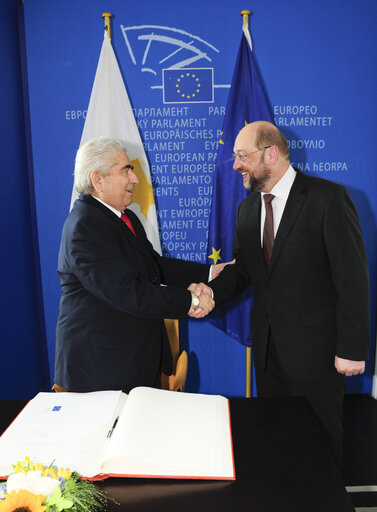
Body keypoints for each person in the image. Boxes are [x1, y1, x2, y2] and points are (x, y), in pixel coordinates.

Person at [192, 121, 370, 466]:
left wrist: (351, 348)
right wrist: (209, 294)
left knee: (321, 447)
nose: (236, 165)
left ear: (270, 154)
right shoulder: (247, 209)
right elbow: (244, 270)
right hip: (269, 350)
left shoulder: (328, 199)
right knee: (280, 442)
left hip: (317, 354)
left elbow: (352, 279)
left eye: (242, 156)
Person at [54, 137, 227, 394]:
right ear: (98, 180)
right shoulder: (86, 226)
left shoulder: (124, 217)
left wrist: (210, 273)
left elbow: (152, 265)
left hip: (132, 358)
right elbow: (128, 292)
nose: (135, 179)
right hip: (101, 371)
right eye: (126, 170)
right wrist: (192, 301)